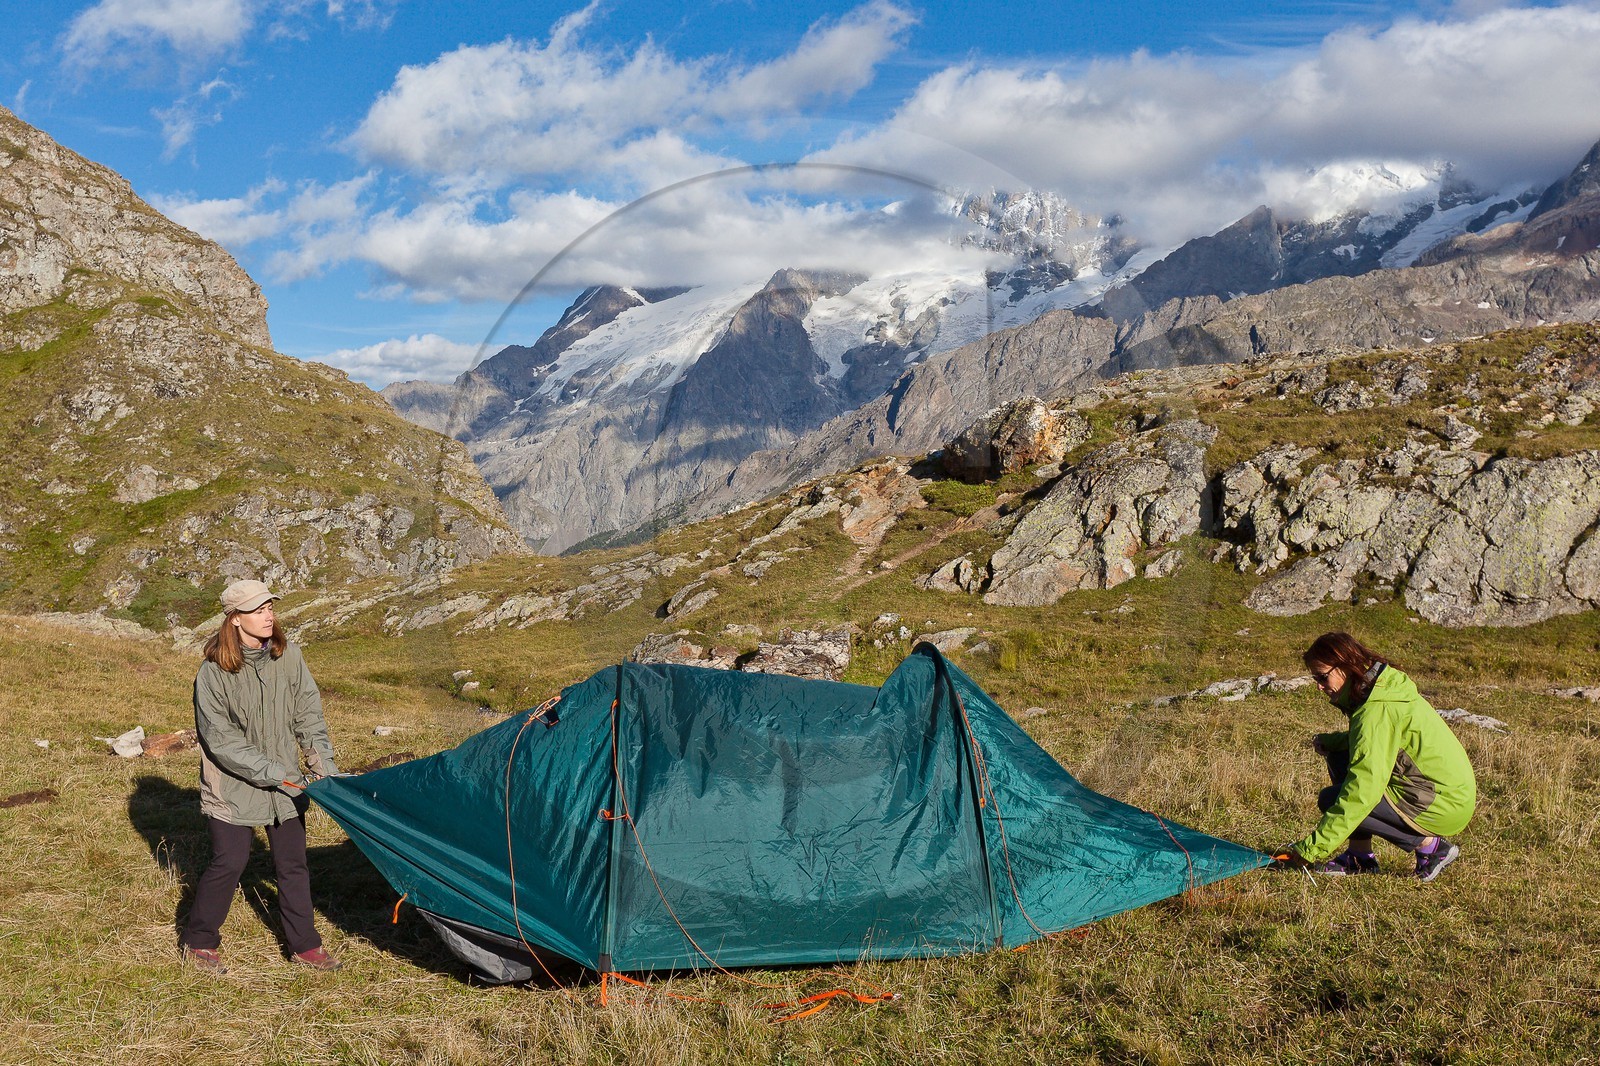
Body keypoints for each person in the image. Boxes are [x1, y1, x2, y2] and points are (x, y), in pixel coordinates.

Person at [178, 579, 342, 973]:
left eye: (270, 607)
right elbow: (221, 740)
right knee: (229, 861)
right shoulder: (213, 673)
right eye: (257, 610)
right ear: (234, 620)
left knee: (293, 863)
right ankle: (199, 940)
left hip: (284, 785)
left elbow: (308, 716)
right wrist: (275, 773)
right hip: (233, 785)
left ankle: (304, 944)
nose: (268, 615)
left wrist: (323, 767)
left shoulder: (289, 657)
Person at [1277, 632, 1476, 881]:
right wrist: (1333, 742)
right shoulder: (1379, 688)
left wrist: (1311, 849)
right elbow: (1372, 742)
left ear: (1346, 666)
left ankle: (1432, 848)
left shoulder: (1376, 708)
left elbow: (1363, 790)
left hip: (1444, 803)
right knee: (1340, 756)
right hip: (1443, 791)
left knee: (1332, 799)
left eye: (1322, 676)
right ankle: (1359, 857)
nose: (1319, 686)